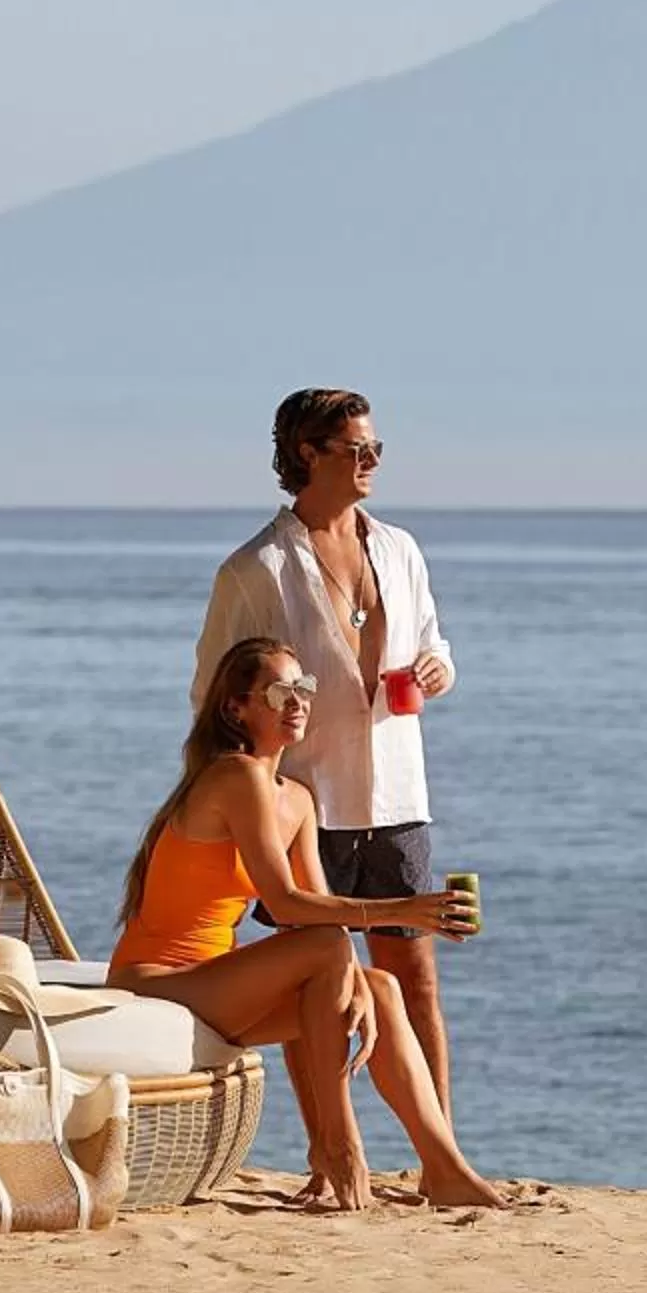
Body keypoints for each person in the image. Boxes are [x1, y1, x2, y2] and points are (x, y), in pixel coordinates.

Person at [109, 635, 501, 1211]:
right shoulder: (234, 778)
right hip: (158, 980)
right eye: (279, 691)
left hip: (217, 986)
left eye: (303, 689)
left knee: (383, 988)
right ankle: (337, 1144)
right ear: (236, 708)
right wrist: (405, 910)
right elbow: (288, 906)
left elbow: (314, 913)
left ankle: (444, 1168)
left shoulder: (296, 798)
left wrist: (354, 982)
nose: (297, 702)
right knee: (328, 948)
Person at [188, 389, 466, 1119]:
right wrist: (244, 792)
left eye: (376, 448)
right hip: (308, 801)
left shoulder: (399, 549)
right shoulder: (256, 569)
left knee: (414, 978)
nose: (372, 460)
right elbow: (212, 690)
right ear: (308, 455)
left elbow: (432, 641)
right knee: (320, 985)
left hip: (399, 794)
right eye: (357, 449)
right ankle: (330, 1152)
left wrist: (439, 667)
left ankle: (438, 1153)